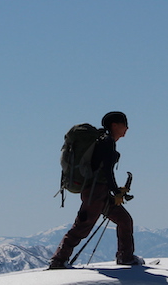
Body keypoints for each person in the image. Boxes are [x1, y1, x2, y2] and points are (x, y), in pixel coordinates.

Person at [49, 111, 143, 268]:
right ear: (114, 125)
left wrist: (115, 191)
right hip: (96, 192)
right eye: (124, 124)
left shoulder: (104, 141)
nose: (127, 128)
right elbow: (106, 170)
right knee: (82, 227)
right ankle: (58, 260)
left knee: (124, 220)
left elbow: (103, 170)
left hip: (99, 191)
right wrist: (115, 191)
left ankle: (126, 256)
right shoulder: (107, 142)